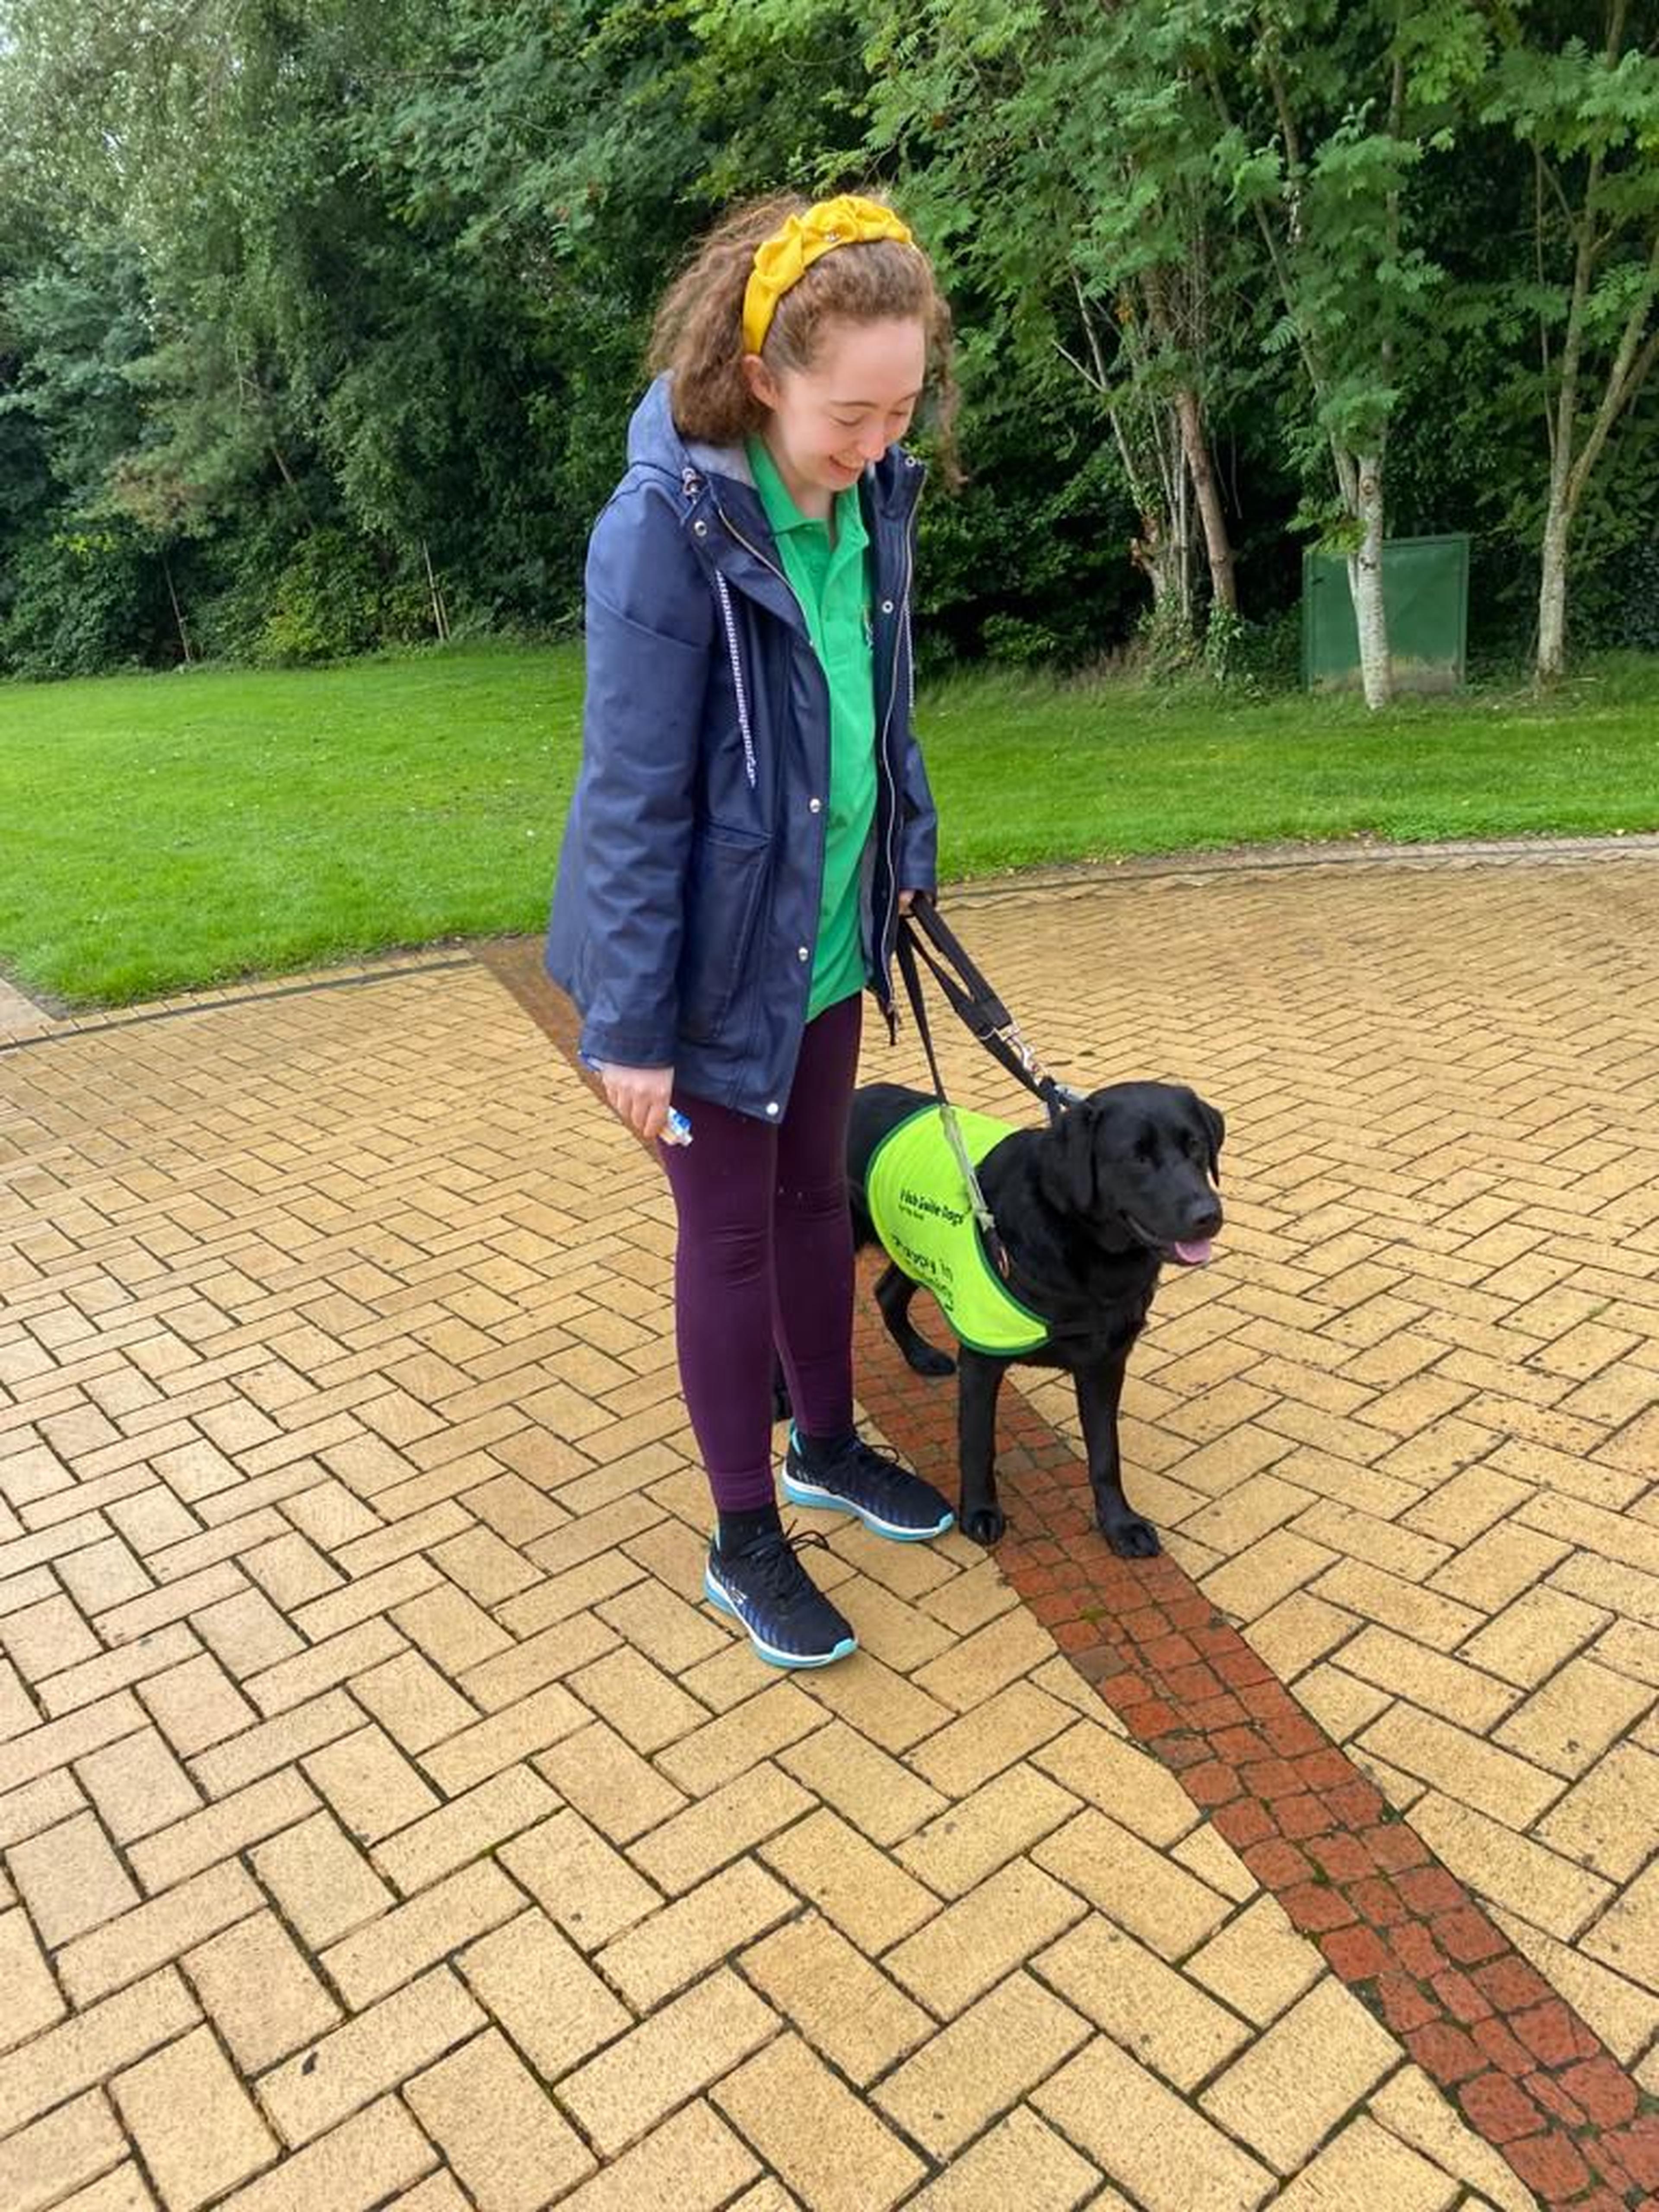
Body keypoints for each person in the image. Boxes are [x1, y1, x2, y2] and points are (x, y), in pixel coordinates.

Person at [547, 192, 957, 1669]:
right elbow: (632, 793)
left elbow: (879, 708)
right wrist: (631, 1027)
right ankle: (743, 1538)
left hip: (825, 932)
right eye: (853, 414)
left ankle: (825, 1445)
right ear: (762, 377)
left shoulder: (876, 497)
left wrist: (903, 856)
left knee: (812, 1207)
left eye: (903, 410)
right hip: (707, 965)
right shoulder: (663, 531)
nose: (879, 442)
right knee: (727, 1239)